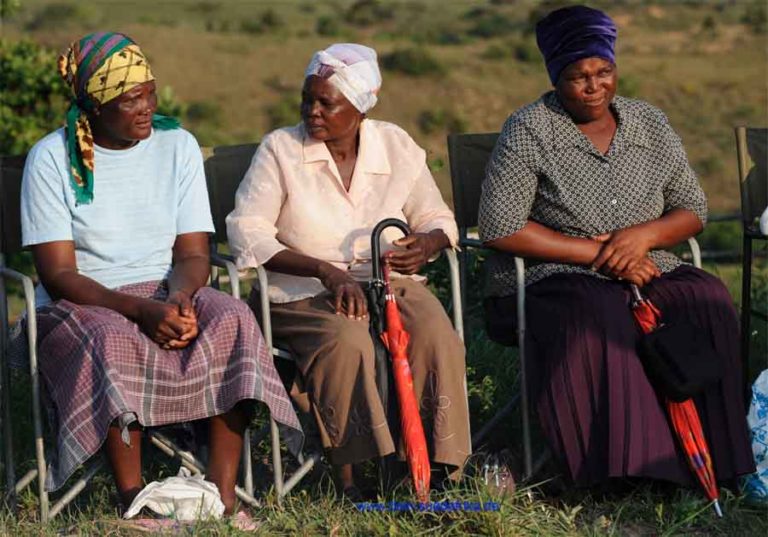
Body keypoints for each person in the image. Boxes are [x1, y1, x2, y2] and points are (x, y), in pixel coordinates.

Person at [17, 32, 302, 519]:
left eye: (150, 91)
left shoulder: (177, 145)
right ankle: (136, 503)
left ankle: (222, 497)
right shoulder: (50, 159)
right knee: (110, 337)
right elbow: (59, 274)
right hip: (82, 303)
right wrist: (141, 310)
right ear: (95, 106)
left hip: (166, 288)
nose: (148, 105)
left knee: (231, 314)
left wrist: (180, 298)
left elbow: (194, 252)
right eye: (131, 99)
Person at [478, 6, 754, 488]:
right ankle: (626, 471)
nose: (593, 86)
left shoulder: (649, 122)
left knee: (707, 297)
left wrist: (640, 238)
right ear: (555, 77)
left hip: (651, 265)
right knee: (600, 313)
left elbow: (693, 209)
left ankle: (720, 456)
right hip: (556, 276)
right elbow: (501, 227)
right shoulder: (528, 129)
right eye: (577, 76)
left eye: (603, 72)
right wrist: (600, 256)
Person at [226, 43, 470, 497]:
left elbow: (439, 219)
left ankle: (433, 470)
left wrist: (428, 244)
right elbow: (248, 233)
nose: (311, 112)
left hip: (389, 281)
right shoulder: (281, 149)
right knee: (348, 339)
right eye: (307, 99)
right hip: (299, 291)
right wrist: (325, 271)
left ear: (359, 108)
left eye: (326, 103)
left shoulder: (394, 145)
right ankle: (354, 473)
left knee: (435, 333)